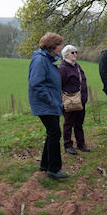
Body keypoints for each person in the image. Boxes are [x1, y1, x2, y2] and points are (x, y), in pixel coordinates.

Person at [28, 32, 68, 180]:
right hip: (45, 104)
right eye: (59, 45)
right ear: (52, 46)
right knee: (55, 133)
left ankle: (45, 165)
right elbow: (36, 83)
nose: (60, 48)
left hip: (50, 102)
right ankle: (53, 169)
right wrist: (50, 99)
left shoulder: (47, 58)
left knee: (53, 133)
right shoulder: (40, 60)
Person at [58, 45, 90, 155]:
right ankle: (68, 145)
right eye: (73, 52)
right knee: (68, 123)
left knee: (79, 123)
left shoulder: (77, 66)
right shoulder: (62, 68)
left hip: (80, 100)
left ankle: (81, 143)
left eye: (76, 52)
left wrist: (84, 97)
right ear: (66, 54)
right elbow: (58, 85)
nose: (75, 54)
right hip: (69, 101)